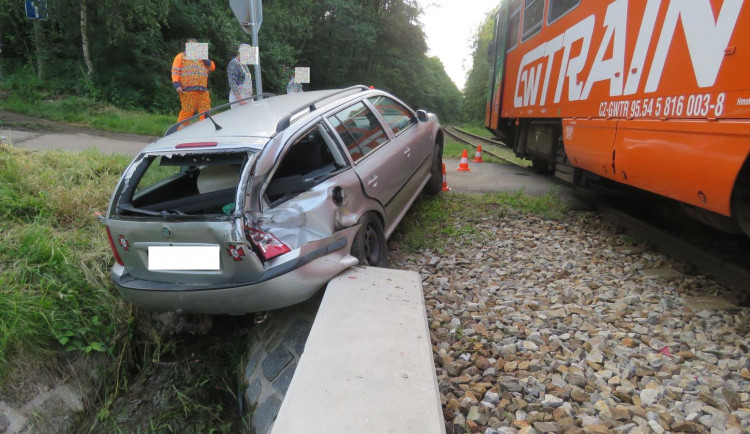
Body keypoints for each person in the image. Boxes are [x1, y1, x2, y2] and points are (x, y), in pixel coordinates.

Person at [171, 38, 215, 124]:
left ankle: (206, 133)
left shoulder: (202, 58)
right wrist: (176, 84)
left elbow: (212, 67)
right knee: (187, 113)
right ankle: (180, 132)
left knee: (206, 114)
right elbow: (175, 70)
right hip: (187, 91)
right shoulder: (181, 56)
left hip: (202, 91)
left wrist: (206, 60)